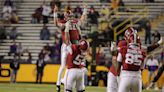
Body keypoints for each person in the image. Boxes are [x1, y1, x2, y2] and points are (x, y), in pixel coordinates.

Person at [53, 4, 88, 92]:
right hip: (67, 46)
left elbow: (82, 20)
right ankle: (58, 83)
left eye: (70, 14)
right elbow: (56, 24)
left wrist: (85, 10)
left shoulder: (75, 22)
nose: (69, 16)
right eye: (67, 15)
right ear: (65, 16)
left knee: (73, 65)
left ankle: (65, 81)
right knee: (63, 65)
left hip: (74, 46)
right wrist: (55, 13)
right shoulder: (64, 23)